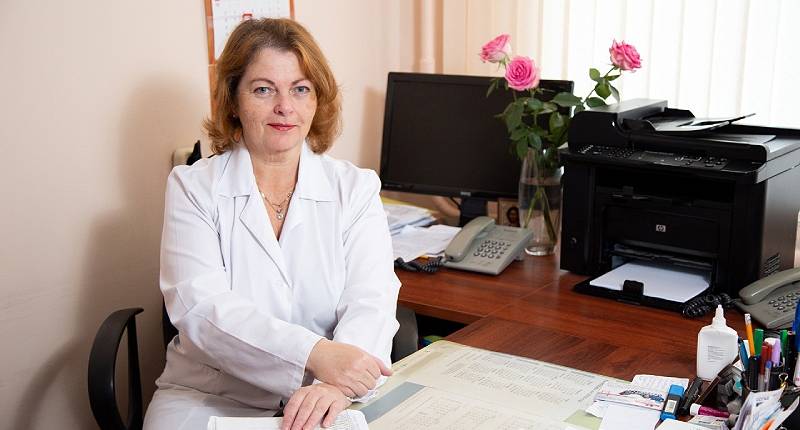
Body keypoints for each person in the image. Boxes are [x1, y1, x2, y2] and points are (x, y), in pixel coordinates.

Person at [143, 18, 400, 430]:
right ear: (233, 100)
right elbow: (202, 309)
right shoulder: (194, 188)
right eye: (264, 89)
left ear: (317, 99)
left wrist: (336, 385)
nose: (285, 106)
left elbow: (372, 299)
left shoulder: (355, 188)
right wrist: (316, 354)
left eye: (300, 89)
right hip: (210, 396)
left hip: (327, 394)